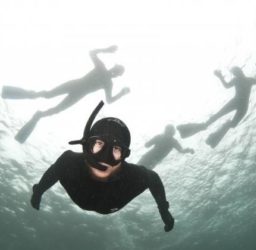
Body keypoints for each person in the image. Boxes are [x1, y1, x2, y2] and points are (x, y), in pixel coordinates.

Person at [30, 101, 174, 232]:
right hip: (108, 204)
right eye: (98, 144)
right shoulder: (68, 161)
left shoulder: (133, 177)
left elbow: (153, 178)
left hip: (106, 204)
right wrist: (39, 190)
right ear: (86, 145)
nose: (105, 158)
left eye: (116, 149)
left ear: (125, 154)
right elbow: (55, 170)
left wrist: (163, 209)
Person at [2, 45, 130, 143]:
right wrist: (106, 50)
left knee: (55, 108)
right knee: (47, 95)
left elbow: (109, 100)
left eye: (117, 71)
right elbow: (91, 53)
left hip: (78, 93)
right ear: (113, 68)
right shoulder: (102, 69)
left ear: (117, 75)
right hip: (74, 85)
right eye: (116, 69)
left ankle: (38, 115)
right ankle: (29, 101)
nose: (114, 71)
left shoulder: (108, 83)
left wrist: (121, 94)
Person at [177, 64, 256, 138]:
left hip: (242, 104)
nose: (237, 73)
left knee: (233, 124)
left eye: (236, 71)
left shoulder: (247, 80)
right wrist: (220, 76)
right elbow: (227, 86)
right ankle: (202, 126)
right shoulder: (238, 80)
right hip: (237, 102)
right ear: (235, 74)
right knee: (218, 116)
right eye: (235, 73)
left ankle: (218, 128)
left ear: (240, 70)